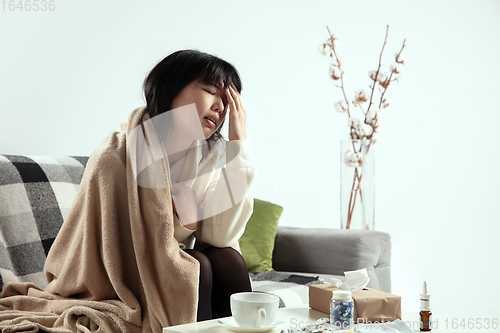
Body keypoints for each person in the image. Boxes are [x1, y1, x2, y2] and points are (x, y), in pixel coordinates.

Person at [139, 49, 255, 321]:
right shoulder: (123, 149)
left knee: (226, 258)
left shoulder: (210, 157)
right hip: (128, 271)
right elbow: (122, 241)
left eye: (227, 101)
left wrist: (239, 145)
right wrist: (186, 223)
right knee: (196, 264)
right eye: (211, 92)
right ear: (172, 88)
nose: (220, 106)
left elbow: (220, 237)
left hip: (173, 263)